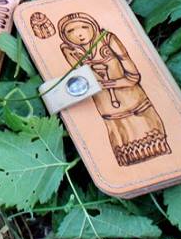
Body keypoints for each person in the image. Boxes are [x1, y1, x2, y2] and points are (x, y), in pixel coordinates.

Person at [57, 12, 170, 166]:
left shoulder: (108, 39)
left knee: (153, 145)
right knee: (125, 147)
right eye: (70, 31)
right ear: (64, 35)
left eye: (84, 27)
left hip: (134, 102)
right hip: (108, 109)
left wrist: (111, 83)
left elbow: (133, 77)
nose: (79, 34)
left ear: (93, 27)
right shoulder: (70, 50)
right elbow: (85, 80)